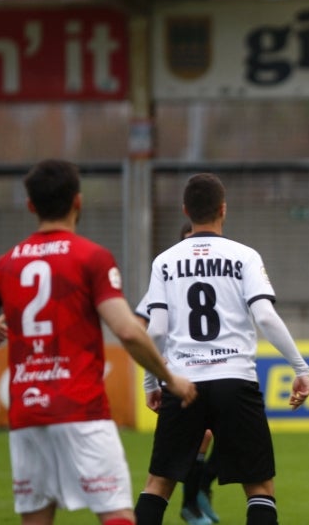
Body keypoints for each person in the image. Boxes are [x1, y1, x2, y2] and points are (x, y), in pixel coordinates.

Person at [0, 158, 197, 525]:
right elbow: (127, 330)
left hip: (26, 412)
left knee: (36, 519)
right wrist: (171, 379)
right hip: (81, 409)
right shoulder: (91, 258)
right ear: (78, 201)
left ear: (30, 206)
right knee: (117, 514)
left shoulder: (6, 264)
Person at [134, 173, 309, 525]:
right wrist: (300, 368)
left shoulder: (164, 262)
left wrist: (152, 382)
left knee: (158, 484)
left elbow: (154, 331)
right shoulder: (244, 256)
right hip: (235, 380)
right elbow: (265, 316)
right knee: (259, 488)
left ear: (186, 210)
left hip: (182, 382)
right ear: (223, 209)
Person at [134, 222, 219, 525]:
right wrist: (154, 373)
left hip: (215, 368)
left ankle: (195, 496)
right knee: (202, 437)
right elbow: (142, 323)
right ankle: (191, 503)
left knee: (213, 438)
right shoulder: (168, 276)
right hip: (179, 373)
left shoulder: (217, 274)